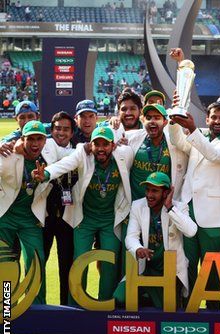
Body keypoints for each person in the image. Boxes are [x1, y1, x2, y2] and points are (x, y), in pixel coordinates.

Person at [33, 126, 134, 305]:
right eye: (97, 144)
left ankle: (105, 304)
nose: (101, 148)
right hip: (85, 218)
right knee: (80, 261)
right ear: (91, 145)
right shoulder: (83, 155)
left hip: (110, 219)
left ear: (113, 145)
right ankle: (76, 306)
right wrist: (46, 174)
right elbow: (64, 165)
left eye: (105, 144)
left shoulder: (124, 154)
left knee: (110, 261)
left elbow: (138, 137)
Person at [168, 102, 220, 310]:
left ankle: (212, 307)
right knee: (188, 262)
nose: (217, 121)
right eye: (213, 117)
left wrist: (191, 129)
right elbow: (177, 141)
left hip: (212, 212)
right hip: (188, 207)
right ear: (207, 119)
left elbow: (214, 155)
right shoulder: (198, 135)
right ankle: (188, 304)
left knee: (212, 264)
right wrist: (174, 119)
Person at [113, 172, 197, 308]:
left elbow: (191, 231)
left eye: (155, 191)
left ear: (166, 192)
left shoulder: (179, 207)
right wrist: (138, 248)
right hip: (145, 269)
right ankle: (148, 297)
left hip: (169, 271)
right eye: (147, 190)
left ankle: (153, 298)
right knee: (120, 299)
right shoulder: (137, 206)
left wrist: (170, 207)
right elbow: (131, 236)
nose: (149, 195)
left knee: (167, 309)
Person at [0, 121, 59, 304]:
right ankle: (6, 306)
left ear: (45, 140)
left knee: (36, 260)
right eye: (30, 139)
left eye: (39, 139)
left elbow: (75, 152)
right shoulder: (8, 155)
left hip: (30, 218)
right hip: (6, 217)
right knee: (6, 264)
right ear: (22, 139)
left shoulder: (50, 155)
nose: (35, 144)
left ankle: (37, 307)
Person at [42, 112, 78, 305]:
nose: (61, 132)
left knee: (67, 265)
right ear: (52, 129)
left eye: (65, 129)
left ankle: (67, 308)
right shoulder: (43, 146)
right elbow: (18, 136)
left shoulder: (80, 151)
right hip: (44, 217)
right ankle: (37, 307)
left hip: (68, 217)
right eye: (57, 128)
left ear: (72, 133)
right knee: (40, 263)